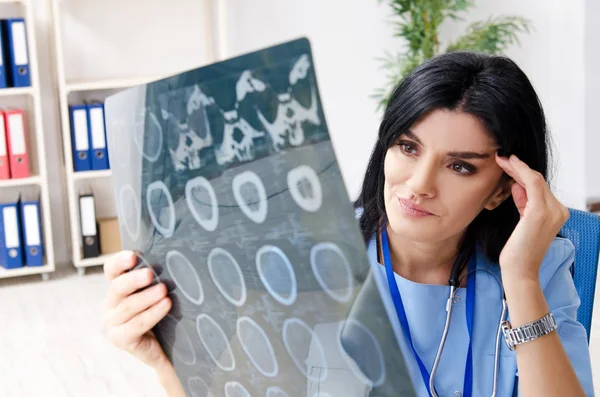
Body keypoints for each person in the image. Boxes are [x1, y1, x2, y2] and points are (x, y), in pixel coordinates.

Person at [102, 51, 594, 396]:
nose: (418, 184)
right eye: (407, 147)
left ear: (500, 189)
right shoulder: (303, 257)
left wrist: (522, 281)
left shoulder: (538, 268)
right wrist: (163, 361)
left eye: (460, 165)